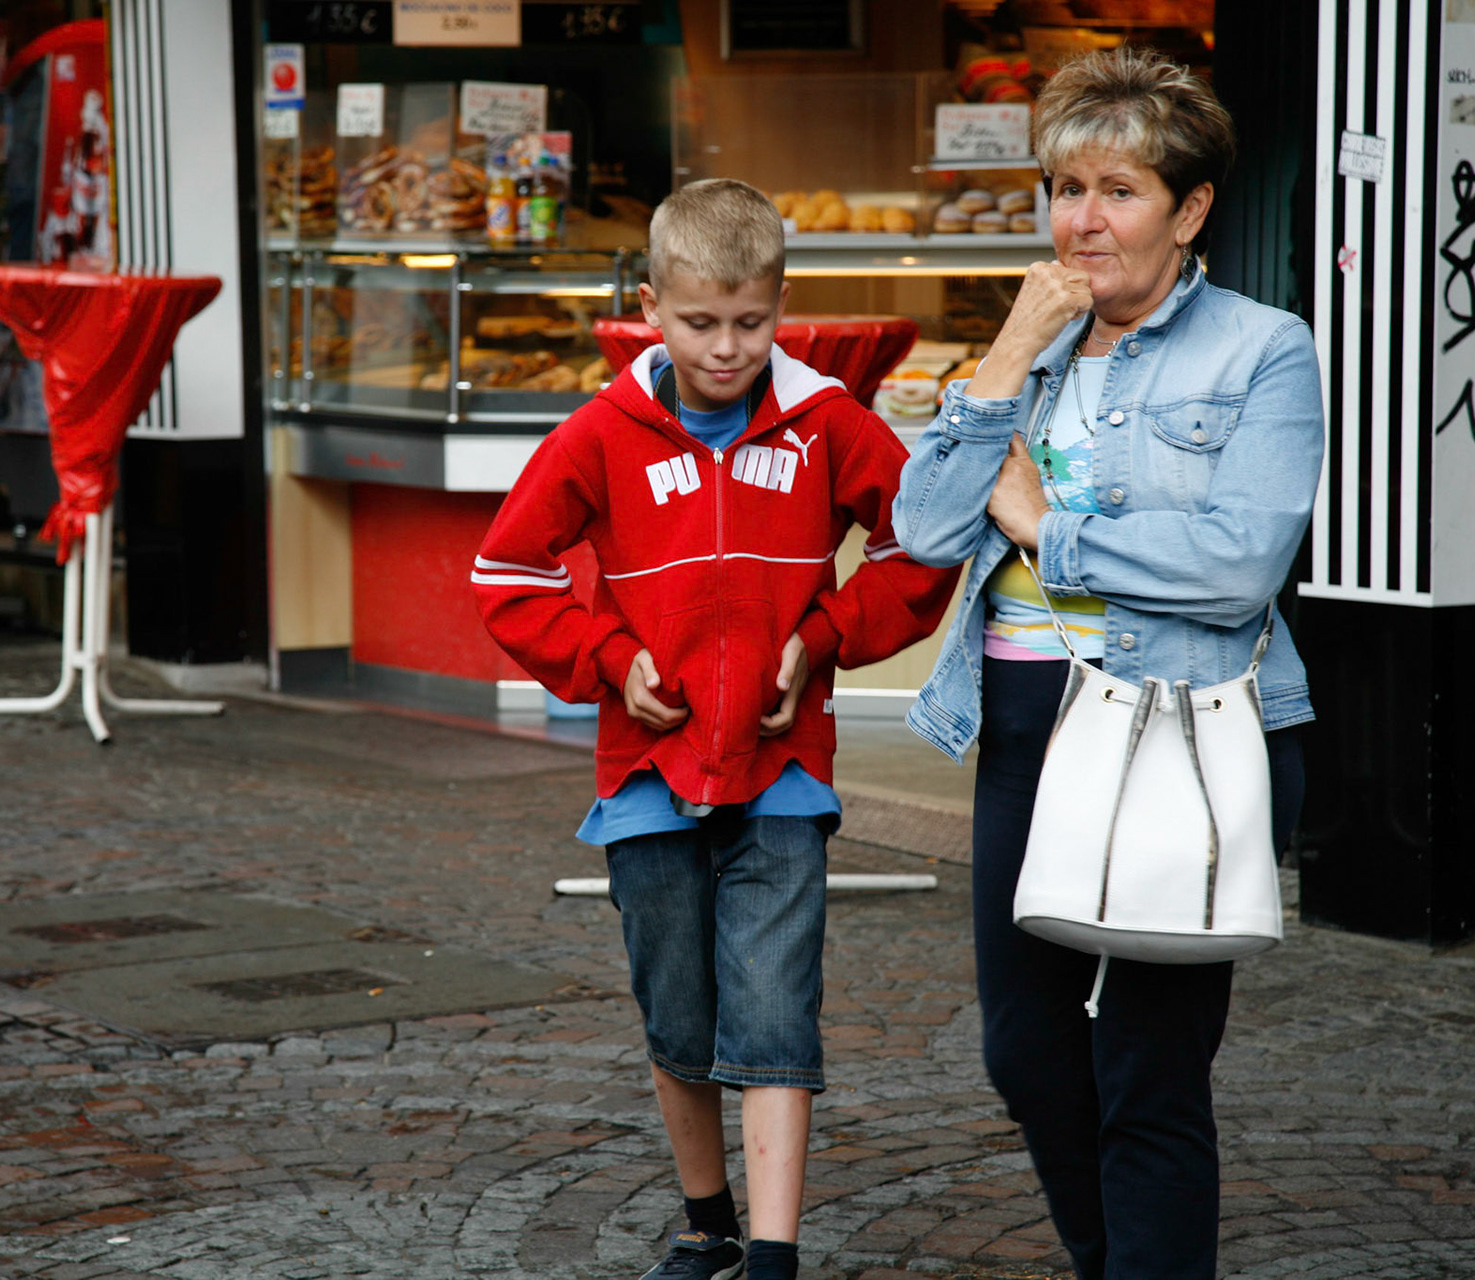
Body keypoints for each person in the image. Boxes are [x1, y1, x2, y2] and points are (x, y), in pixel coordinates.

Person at [475, 179, 958, 1280]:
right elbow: (507, 573)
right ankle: (708, 1225)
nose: (728, 347)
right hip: (644, 775)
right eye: (700, 322)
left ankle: (774, 1256)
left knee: (777, 1012)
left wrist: (823, 637)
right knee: (678, 1014)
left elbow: (920, 545)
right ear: (651, 307)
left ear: (781, 305)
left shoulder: (828, 422)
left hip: (784, 772)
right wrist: (611, 661)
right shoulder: (599, 433)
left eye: (750, 321)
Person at [893, 47, 1324, 1280]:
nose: (1082, 220)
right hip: (1027, 724)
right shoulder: (1030, 349)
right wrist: (1004, 356)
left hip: (1187, 720)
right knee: (1025, 1054)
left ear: (1190, 211)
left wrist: (1048, 531)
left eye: (1119, 191)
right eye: (1064, 188)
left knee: (1149, 1067)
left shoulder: (1261, 348)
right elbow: (922, 528)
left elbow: (1239, 563)